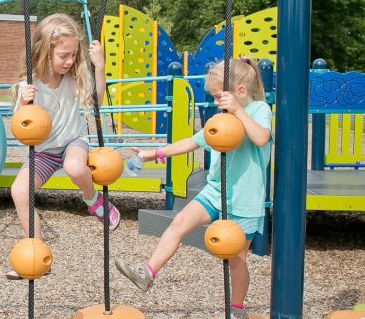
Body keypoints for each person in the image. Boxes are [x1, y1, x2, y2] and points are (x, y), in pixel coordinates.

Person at [115, 57, 271, 319]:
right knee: (179, 223)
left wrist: (238, 111)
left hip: (244, 199)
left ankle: (237, 308)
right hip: (215, 191)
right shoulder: (220, 118)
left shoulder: (258, 109)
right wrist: (152, 154)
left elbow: (261, 138)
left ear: (241, 92)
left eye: (219, 97)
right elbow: (192, 142)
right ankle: (148, 272)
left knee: (236, 258)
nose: (215, 102)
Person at [7, 13, 114, 280]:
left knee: (75, 167)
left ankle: (92, 199)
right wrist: (23, 103)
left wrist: (99, 67)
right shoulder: (28, 85)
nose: (70, 61)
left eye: (74, 55)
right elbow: (19, 127)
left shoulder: (74, 77)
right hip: (44, 151)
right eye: (64, 55)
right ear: (45, 51)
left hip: (72, 142)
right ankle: (36, 255)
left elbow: (97, 102)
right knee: (19, 191)